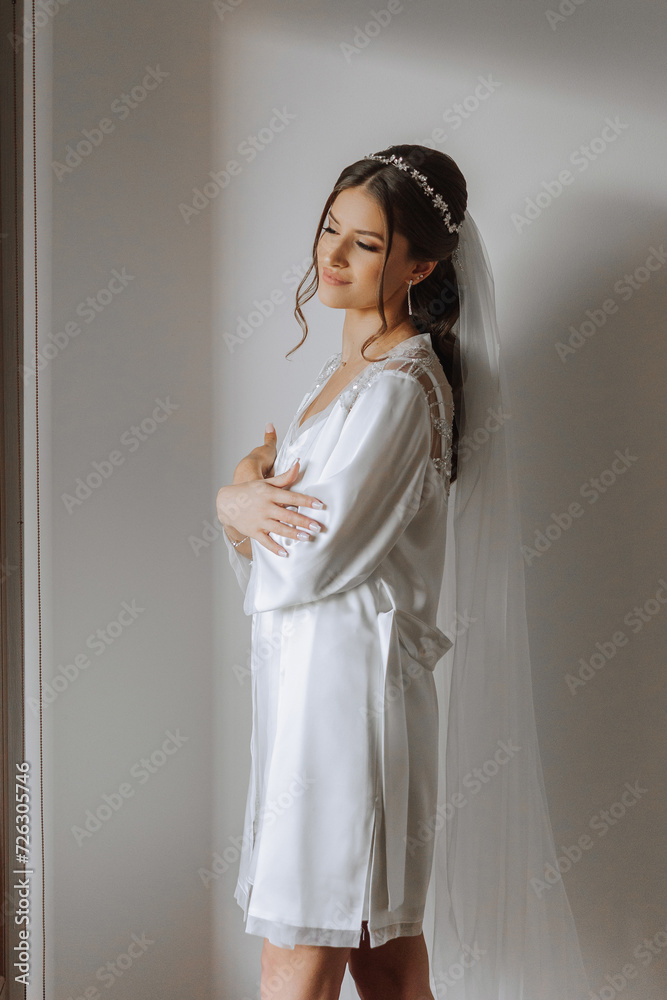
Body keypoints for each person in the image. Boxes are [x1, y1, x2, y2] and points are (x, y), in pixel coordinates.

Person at [217, 145, 592, 1000]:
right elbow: (297, 540)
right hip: (312, 697)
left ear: (420, 265)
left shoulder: (394, 389)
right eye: (329, 229)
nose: (332, 256)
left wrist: (235, 502)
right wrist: (248, 511)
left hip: (347, 709)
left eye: (366, 244)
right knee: (383, 963)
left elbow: (311, 553)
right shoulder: (346, 375)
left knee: (297, 957)